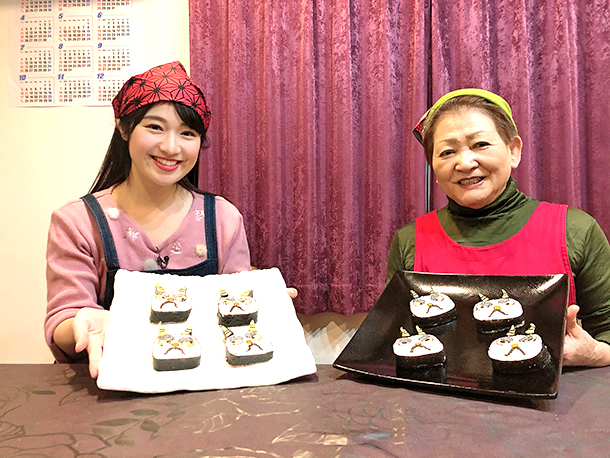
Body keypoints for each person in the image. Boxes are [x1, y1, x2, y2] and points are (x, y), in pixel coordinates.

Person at [45, 61, 295, 378]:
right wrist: (80, 324)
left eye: (187, 133)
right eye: (155, 127)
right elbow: (63, 321)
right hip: (109, 387)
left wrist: (264, 305)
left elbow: (235, 313)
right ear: (124, 129)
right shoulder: (77, 222)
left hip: (202, 386)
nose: (171, 147)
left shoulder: (222, 218)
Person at [387, 88, 610, 367]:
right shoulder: (409, 240)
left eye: (480, 144)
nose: (465, 163)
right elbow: (393, 338)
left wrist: (594, 353)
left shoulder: (575, 229)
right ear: (433, 166)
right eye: (447, 152)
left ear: (513, 150)